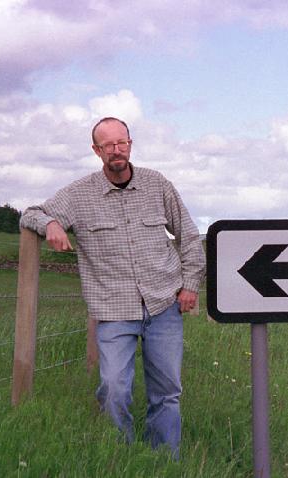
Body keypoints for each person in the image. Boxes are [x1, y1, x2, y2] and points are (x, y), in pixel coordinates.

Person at [20, 117, 205, 459]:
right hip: (113, 309)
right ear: (97, 150)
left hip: (164, 303)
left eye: (122, 143)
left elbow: (190, 236)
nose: (116, 151)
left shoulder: (157, 184)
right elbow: (31, 213)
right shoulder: (79, 194)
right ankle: (121, 456)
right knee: (114, 388)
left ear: (130, 144)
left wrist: (190, 285)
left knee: (167, 390)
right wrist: (51, 223)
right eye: (108, 145)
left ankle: (164, 459)